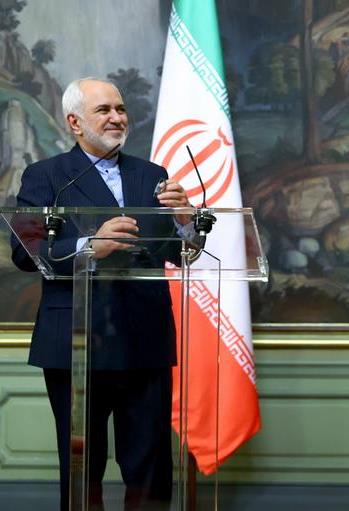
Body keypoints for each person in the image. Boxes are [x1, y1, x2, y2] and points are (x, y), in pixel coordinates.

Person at [10, 78, 191, 510]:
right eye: (104, 110)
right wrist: (90, 246)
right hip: (76, 342)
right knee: (82, 469)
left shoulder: (152, 175)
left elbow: (175, 253)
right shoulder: (45, 176)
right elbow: (24, 252)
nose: (116, 118)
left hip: (145, 340)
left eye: (120, 109)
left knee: (150, 469)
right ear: (75, 122)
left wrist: (185, 222)